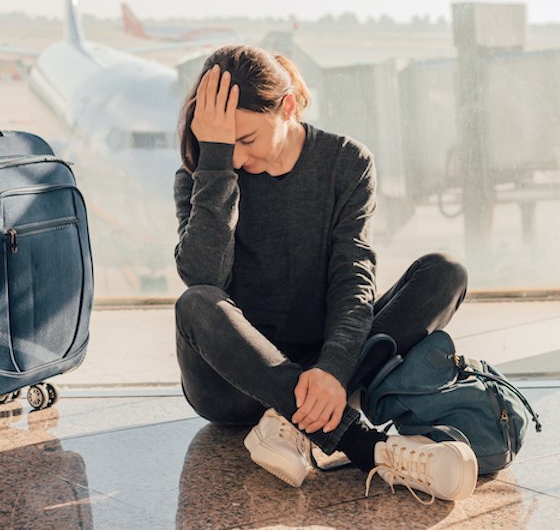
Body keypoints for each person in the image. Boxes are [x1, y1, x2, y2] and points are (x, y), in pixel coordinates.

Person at [173, 44, 478, 504]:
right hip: (234, 384)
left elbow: (353, 279)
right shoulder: (207, 173)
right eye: (223, 142)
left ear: (288, 106)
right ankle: (363, 445)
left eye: (246, 140)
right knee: (195, 303)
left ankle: (292, 419)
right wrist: (213, 165)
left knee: (444, 273)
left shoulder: (346, 163)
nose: (234, 157)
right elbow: (203, 276)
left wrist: (333, 370)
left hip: (328, 375)